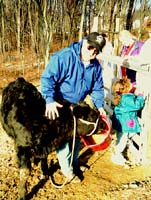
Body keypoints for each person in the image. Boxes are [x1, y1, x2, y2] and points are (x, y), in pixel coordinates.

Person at [40, 32, 106, 183]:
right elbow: (47, 78)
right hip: (59, 103)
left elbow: (97, 87)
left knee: (77, 136)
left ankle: (74, 164)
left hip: (77, 105)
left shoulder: (95, 65)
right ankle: (67, 170)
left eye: (96, 51)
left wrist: (100, 105)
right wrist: (49, 99)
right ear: (84, 42)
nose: (92, 52)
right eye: (90, 48)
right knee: (63, 139)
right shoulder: (64, 57)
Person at [111, 77, 145, 166]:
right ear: (126, 89)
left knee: (123, 138)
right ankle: (116, 156)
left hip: (121, 123)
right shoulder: (127, 98)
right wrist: (141, 96)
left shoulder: (121, 97)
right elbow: (137, 105)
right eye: (130, 86)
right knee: (122, 141)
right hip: (125, 124)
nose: (132, 86)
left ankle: (121, 153)